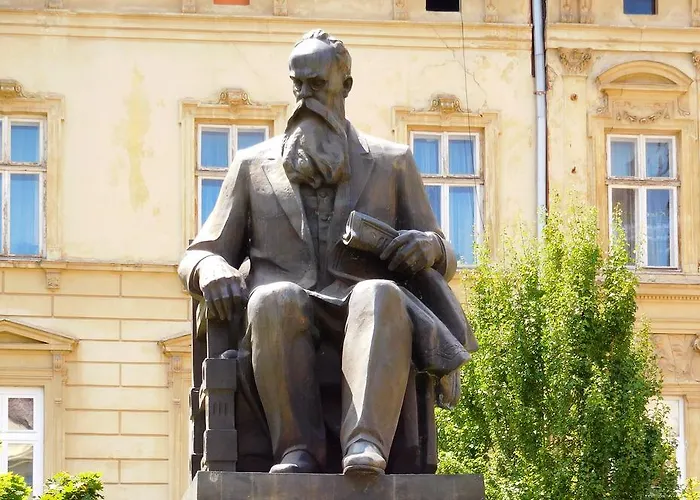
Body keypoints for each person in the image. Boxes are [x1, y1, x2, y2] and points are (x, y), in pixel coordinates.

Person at [178, 29, 476, 476]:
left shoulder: (392, 162)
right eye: (297, 84)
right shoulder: (251, 166)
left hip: (363, 310)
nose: (305, 97)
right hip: (280, 314)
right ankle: (296, 451)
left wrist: (429, 246)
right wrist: (210, 268)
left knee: (379, 293)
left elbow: (442, 253)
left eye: (317, 84)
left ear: (345, 85)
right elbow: (199, 253)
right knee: (274, 298)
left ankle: (365, 444)